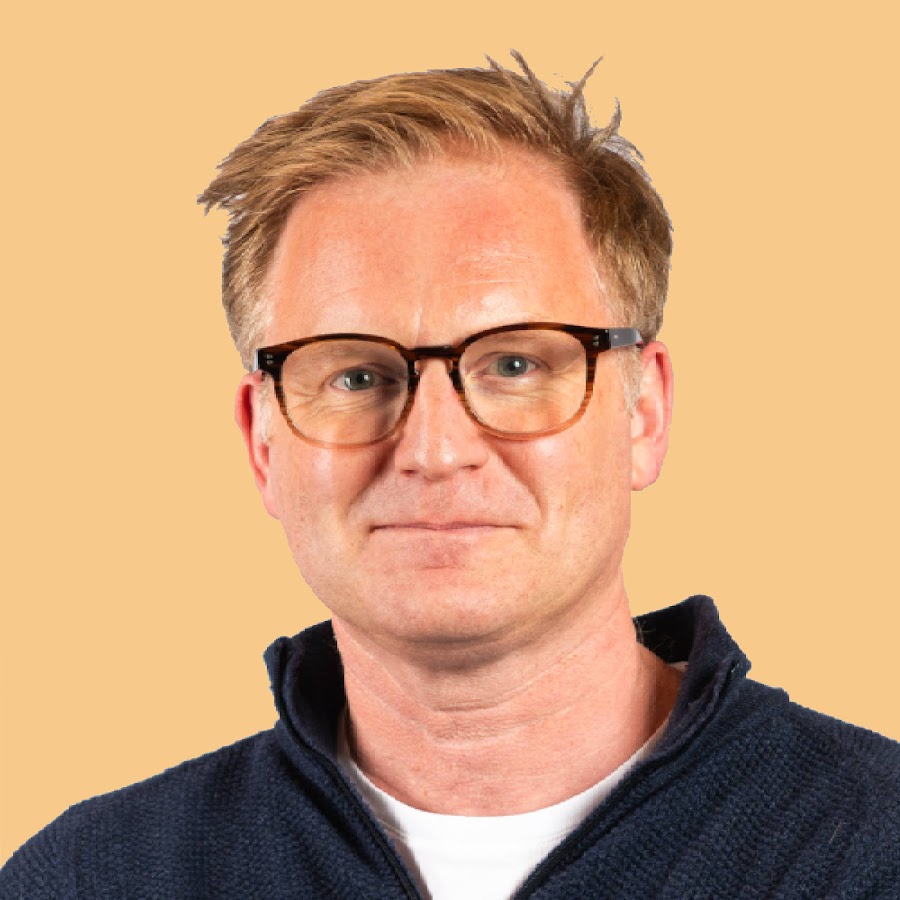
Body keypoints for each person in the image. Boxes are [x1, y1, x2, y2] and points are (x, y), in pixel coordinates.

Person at [2, 53, 898, 900]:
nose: (433, 449)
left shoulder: (874, 852)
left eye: (515, 364)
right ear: (262, 441)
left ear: (645, 413)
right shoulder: (91, 879)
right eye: (356, 376)